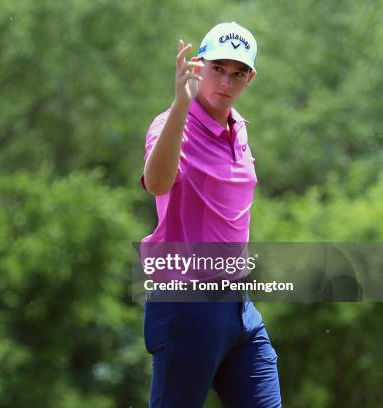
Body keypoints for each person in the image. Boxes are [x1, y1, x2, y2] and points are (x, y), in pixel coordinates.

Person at [139, 22, 282, 407]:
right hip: (186, 307)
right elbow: (156, 183)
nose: (226, 81)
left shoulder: (240, 130)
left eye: (238, 73)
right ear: (198, 66)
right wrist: (181, 107)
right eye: (218, 68)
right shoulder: (171, 125)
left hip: (239, 306)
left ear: (250, 78)